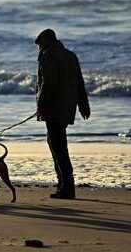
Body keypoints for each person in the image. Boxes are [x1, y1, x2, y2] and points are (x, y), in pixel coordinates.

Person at [34, 29, 90, 199]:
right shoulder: (70, 55)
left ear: (46, 41)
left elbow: (48, 83)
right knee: (56, 142)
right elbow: (79, 81)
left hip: (53, 106)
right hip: (68, 105)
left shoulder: (48, 56)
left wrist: (42, 104)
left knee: (57, 146)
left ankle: (66, 186)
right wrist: (83, 104)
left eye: (39, 44)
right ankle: (63, 184)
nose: (38, 48)